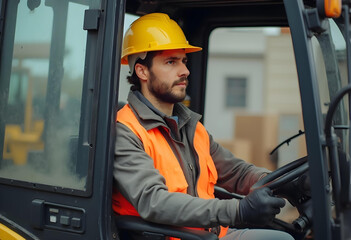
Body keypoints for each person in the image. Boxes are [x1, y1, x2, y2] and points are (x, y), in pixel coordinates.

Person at [113, 13, 294, 240]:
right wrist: (237, 211)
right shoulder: (125, 130)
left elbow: (236, 173)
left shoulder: (191, 127)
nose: (185, 72)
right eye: (171, 62)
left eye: (184, 61)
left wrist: (283, 182)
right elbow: (153, 201)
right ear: (142, 71)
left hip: (209, 234)